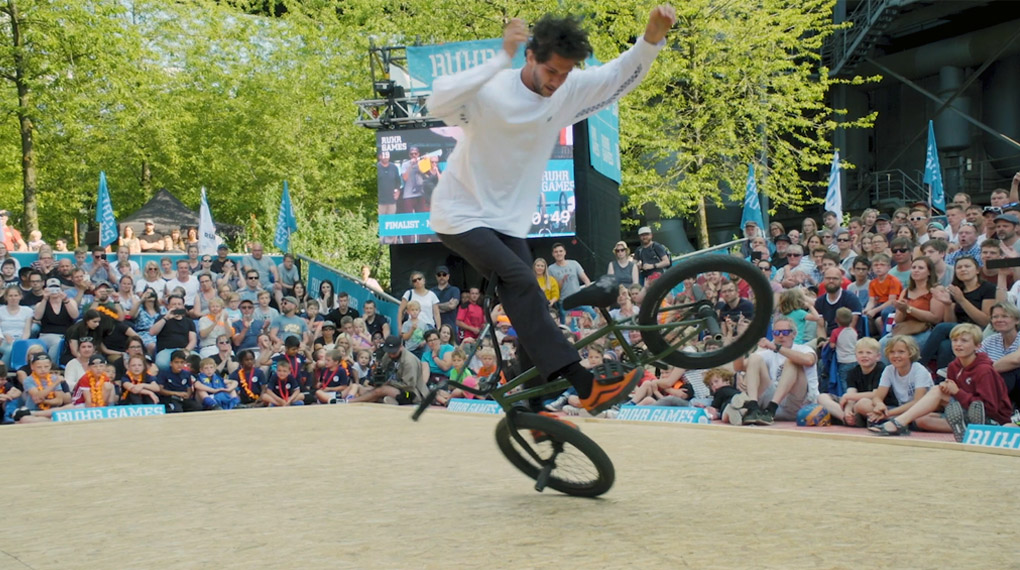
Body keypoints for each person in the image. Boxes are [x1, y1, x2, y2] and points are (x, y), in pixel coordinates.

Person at [426, 9, 674, 413]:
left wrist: (650, 41)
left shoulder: (567, 89)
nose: (557, 82)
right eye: (551, 72)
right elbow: (437, 99)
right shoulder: (493, 89)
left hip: (506, 221)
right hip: (459, 214)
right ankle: (584, 384)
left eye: (565, 73)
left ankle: (534, 408)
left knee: (531, 305)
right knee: (521, 279)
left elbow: (615, 76)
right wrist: (498, 57)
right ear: (530, 57)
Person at [871, 325, 1011, 440]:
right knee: (922, 420)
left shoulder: (984, 370)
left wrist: (956, 392)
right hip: (966, 410)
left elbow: (989, 408)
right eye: (955, 340)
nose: (958, 344)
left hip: (992, 418)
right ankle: (967, 429)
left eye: (964, 341)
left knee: (937, 390)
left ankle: (898, 423)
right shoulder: (954, 366)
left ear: (977, 346)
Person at [736, 316, 818, 425]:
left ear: (793, 334)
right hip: (772, 402)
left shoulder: (803, 349)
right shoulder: (769, 353)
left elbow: (809, 360)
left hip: (798, 405)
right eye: (776, 332)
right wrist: (742, 339)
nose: (780, 336)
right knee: (754, 358)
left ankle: (771, 408)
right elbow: (739, 367)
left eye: (785, 332)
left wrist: (776, 348)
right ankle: (753, 407)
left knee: (791, 362)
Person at [855, 335, 931, 434]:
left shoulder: (919, 370)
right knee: (862, 403)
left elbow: (917, 402)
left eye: (901, 352)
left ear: (911, 353)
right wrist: (879, 405)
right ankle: (895, 422)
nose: (896, 355)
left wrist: (888, 413)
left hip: (918, 411)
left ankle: (890, 421)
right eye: (892, 352)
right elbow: (877, 396)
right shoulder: (889, 369)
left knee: (922, 420)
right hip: (899, 410)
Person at [817, 337, 887, 426]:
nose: (864, 355)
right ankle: (846, 418)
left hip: (873, 404)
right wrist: (847, 411)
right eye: (860, 352)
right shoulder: (853, 371)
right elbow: (851, 394)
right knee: (822, 397)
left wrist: (849, 397)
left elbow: (876, 394)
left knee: (862, 403)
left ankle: (855, 419)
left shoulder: (881, 369)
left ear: (878, 357)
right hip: (855, 403)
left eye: (868, 353)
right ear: (855, 356)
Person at [353, 335, 425, 404]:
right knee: (365, 391)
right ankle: (387, 399)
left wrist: (390, 383)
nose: (391, 355)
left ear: (401, 347)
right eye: (389, 352)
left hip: (410, 393)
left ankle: (351, 401)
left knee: (380, 391)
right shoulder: (388, 355)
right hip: (393, 387)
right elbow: (381, 369)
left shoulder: (409, 362)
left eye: (393, 352)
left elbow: (409, 385)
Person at [150, 295, 198, 371]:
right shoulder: (161, 318)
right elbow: (152, 332)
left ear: (183, 306)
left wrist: (186, 350)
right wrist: (166, 318)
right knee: (161, 364)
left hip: (184, 350)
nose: (177, 306)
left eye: (179, 304)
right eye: (174, 304)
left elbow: (193, 340)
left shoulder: (189, 321)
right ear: (168, 306)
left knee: (198, 363)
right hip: (166, 351)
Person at [0, 286, 33, 369]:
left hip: (20, 339)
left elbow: (27, 330)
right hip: (4, 339)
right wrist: (3, 336)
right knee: (9, 349)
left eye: (15, 295)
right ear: (6, 297)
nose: (13, 298)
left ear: (20, 296)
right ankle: (4, 371)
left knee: (15, 347)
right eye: (10, 296)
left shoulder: (27, 311)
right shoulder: (1, 310)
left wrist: (21, 342)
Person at [431, 265, 460, 337]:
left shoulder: (454, 290)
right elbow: (429, 308)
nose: (441, 277)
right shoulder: (431, 291)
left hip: (450, 327)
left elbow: (452, 306)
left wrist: (435, 306)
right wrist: (446, 305)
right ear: (436, 276)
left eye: (444, 274)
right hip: (434, 326)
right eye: (439, 275)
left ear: (448, 276)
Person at [377, 150, 400, 218]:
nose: (385, 157)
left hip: (391, 201)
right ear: (380, 156)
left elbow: (398, 181)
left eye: (387, 155)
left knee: (390, 221)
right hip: (380, 202)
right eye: (383, 155)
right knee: (380, 221)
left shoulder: (394, 167)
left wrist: (398, 191)